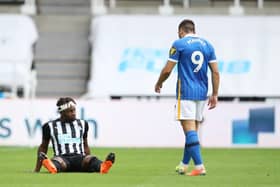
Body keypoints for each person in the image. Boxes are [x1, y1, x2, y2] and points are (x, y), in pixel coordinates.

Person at [154, 19, 220, 176]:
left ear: (180, 31)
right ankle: (184, 164)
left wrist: (159, 82)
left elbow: (167, 70)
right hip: (202, 93)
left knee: (189, 130)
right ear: (194, 30)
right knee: (193, 132)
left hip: (185, 92)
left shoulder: (179, 44)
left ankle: (199, 166)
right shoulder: (208, 45)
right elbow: (215, 72)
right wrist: (215, 94)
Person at [34, 97, 115, 174]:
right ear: (62, 112)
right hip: (62, 158)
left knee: (91, 159)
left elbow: (85, 145)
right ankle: (52, 167)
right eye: (70, 111)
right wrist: (37, 169)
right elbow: (43, 147)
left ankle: (103, 166)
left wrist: (89, 159)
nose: (73, 113)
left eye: (74, 110)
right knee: (58, 161)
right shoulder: (49, 126)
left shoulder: (83, 124)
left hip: (80, 158)